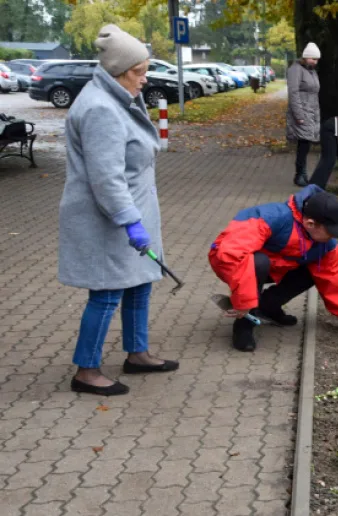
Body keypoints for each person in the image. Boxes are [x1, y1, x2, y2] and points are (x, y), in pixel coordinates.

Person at [58, 24, 179, 397]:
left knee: (139, 284)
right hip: (108, 217)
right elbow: (106, 180)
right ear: (117, 70)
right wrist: (130, 221)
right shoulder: (100, 109)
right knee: (107, 293)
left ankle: (137, 353)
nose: (145, 79)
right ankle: (87, 370)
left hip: (131, 212)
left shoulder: (117, 96)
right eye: (138, 72)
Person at [209, 185, 338, 351]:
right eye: (331, 231)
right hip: (229, 262)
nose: (334, 237)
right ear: (311, 223)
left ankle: (268, 306)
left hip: (278, 265)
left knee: (316, 269)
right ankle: (244, 323)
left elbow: (335, 280)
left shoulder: (325, 244)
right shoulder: (272, 218)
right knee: (259, 263)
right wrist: (243, 301)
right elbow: (231, 254)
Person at [287, 42, 322, 187]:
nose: (314, 61)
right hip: (301, 111)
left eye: (316, 59)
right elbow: (293, 93)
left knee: (306, 144)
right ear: (305, 57)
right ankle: (299, 174)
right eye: (312, 58)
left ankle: (303, 174)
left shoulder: (311, 71)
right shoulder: (296, 70)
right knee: (303, 144)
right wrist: (299, 115)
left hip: (312, 111)